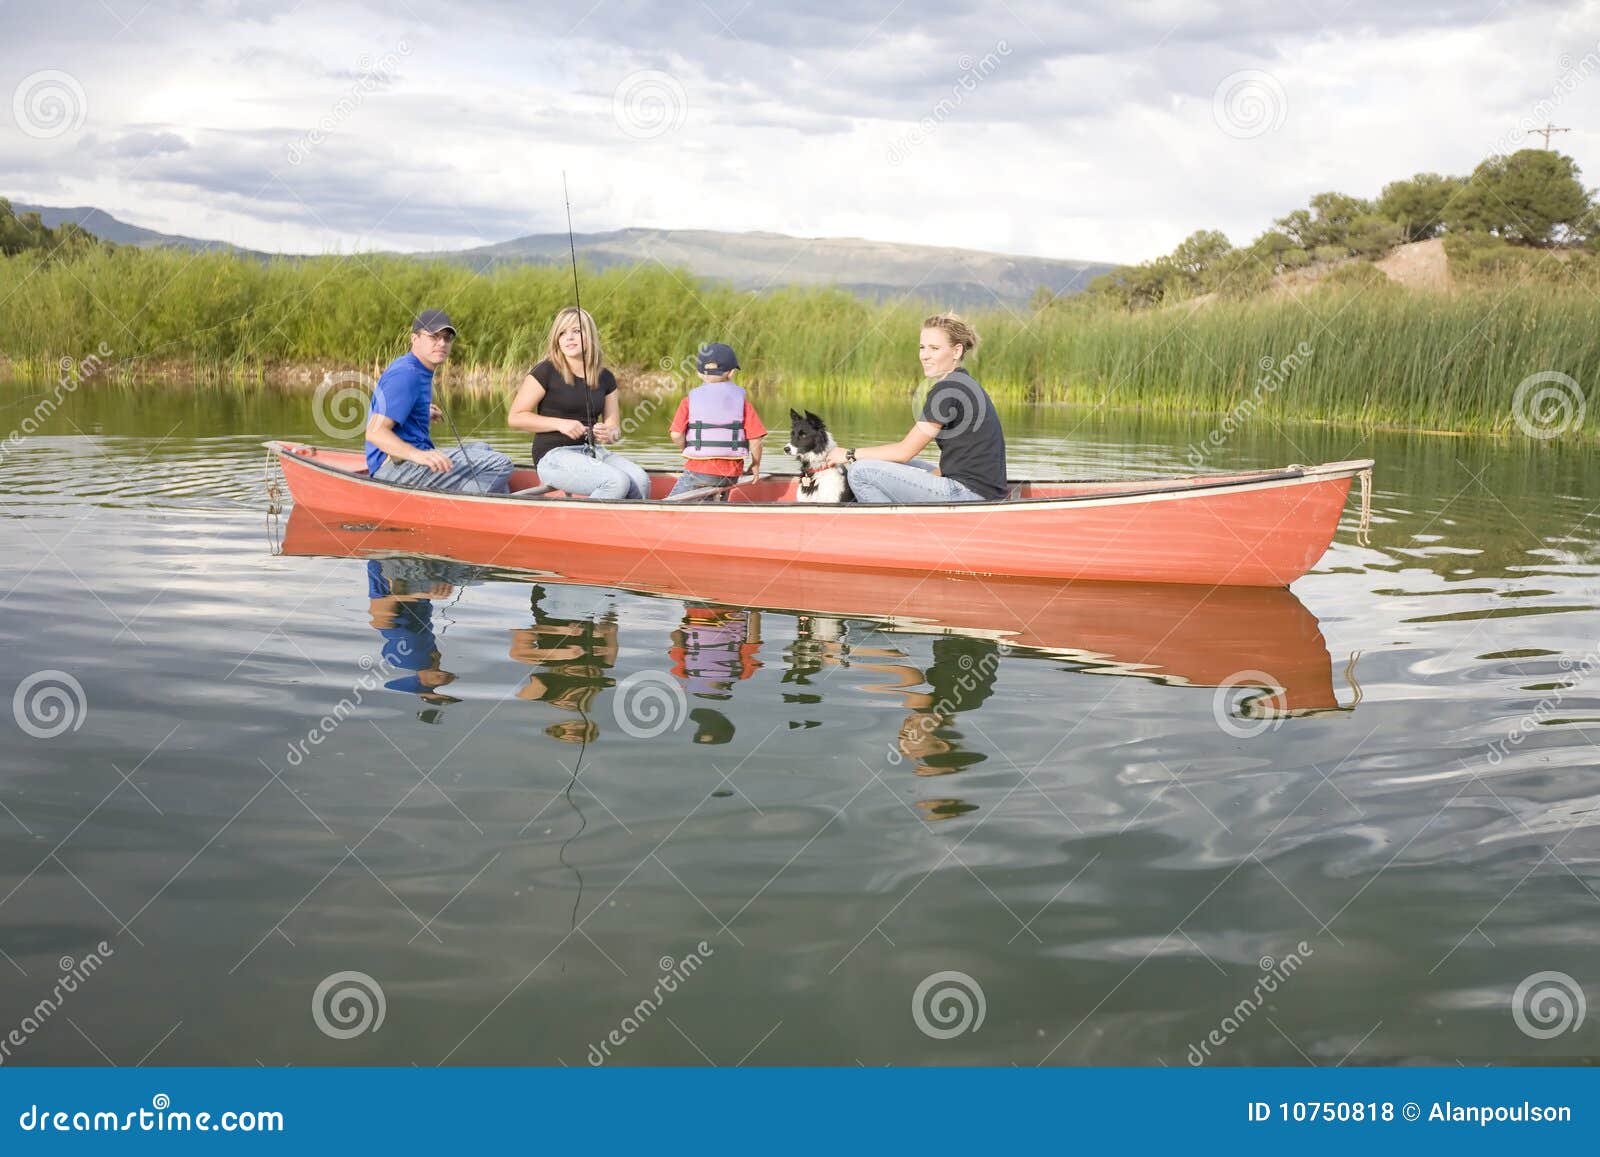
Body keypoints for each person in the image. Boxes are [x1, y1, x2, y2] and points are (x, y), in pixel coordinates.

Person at [824, 313, 1008, 503]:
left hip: (970, 494)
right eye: (922, 348)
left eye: (934, 348)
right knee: (874, 463)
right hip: (976, 487)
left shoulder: (948, 389)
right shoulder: (962, 382)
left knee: (859, 471)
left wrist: (848, 454)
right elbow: (963, 459)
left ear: (956, 351)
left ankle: (894, 526)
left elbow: (905, 452)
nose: (925, 356)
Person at [507, 307, 651, 500]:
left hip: (592, 453)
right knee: (615, 482)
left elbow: (614, 429)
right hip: (553, 456)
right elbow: (515, 417)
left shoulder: (606, 377)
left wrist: (608, 433)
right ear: (556, 339)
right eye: (563, 333)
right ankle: (591, 528)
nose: (569, 337)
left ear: (589, 335)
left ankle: (623, 529)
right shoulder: (545, 371)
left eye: (576, 331)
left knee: (641, 480)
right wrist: (560, 424)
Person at [364, 309, 515, 494]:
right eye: (434, 336)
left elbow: (393, 410)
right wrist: (418, 455)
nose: (442, 343)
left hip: (407, 461)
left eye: (447, 338)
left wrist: (420, 413)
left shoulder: (418, 369)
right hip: (392, 470)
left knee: (484, 449)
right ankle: (466, 507)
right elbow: (374, 432)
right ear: (415, 339)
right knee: (500, 463)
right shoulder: (407, 375)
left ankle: (478, 500)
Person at [666, 342, 767, 499]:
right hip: (731, 474)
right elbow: (756, 438)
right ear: (732, 372)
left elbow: (676, 435)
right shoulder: (742, 401)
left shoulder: (689, 400)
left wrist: (686, 448)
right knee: (715, 501)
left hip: (699, 470)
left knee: (669, 505)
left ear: (699, 373)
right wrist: (755, 464)